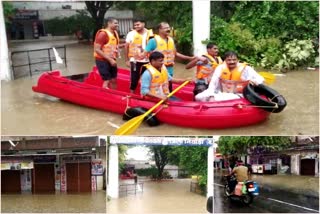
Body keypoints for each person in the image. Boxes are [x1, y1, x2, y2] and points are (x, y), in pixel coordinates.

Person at [142, 22, 195, 91]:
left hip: (169, 68)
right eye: (166, 28)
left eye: (168, 27)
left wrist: (190, 58)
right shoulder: (153, 41)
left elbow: (175, 54)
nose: (168, 29)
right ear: (160, 30)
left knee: (168, 86)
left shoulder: (171, 40)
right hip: (158, 68)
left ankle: (167, 98)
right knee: (158, 85)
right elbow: (145, 53)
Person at [195, 51, 265, 102]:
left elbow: (260, 79)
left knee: (212, 100)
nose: (232, 62)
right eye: (229, 60)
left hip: (238, 94)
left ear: (237, 60)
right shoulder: (220, 68)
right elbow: (213, 82)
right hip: (221, 92)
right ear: (225, 60)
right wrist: (209, 92)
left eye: (234, 60)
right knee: (198, 97)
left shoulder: (246, 69)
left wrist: (254, 81)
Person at [125, 19, 154, 93]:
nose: (136, 26)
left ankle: (146, 93)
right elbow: (126, 46)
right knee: (134, 78)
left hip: (147, 60)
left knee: (148, 77)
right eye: (135, 25)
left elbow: (153, 46)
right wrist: (126, 60)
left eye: (138, 24)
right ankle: (132, 94)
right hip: (135, 60)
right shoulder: (131, 34)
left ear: (143, 24)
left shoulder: (150, 34)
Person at [93, 17, 120, 89]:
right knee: (107, 80)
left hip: (112, 59)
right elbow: (97, 49)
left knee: (114, 79)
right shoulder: (103, 34)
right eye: (115, 23)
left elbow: (111, 46)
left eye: (117, 23)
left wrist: (124, 45)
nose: (117, 25)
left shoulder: (115, 33)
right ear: (109, 23)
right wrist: (110, 60)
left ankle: (115, 95)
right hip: (102, 60)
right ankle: (106, 95)